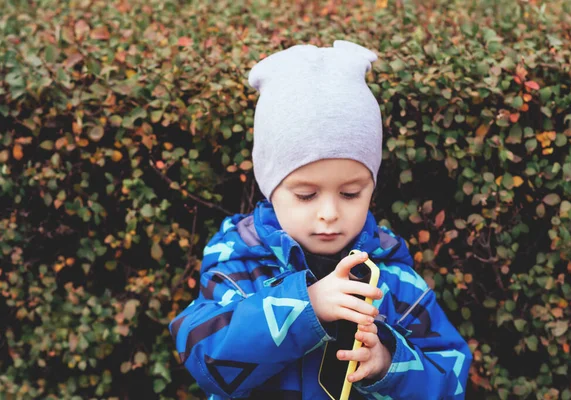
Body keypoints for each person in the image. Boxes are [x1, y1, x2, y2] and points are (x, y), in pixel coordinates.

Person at [169, 40, 472, 399]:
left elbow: (451, 378)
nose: (329, 213)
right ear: (271, 188)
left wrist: (390, 363)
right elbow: (206, 358)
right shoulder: (240, 265)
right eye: (306, 195)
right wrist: (305, 306)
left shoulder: (392, 280)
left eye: (350, 193)